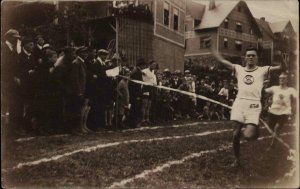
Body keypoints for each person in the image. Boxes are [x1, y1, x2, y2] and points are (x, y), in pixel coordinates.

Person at [212, 47, 283, 167]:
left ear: (257, 58)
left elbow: (281, 68)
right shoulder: (239, 69)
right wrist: (216, 55)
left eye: (253, 55)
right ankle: (237, 160)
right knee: (235, 134)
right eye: (248, 55)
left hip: (254, 104)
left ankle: (255, 129)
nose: (250, 57)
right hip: (239, 103)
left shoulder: (263, 70)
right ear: (245, 58)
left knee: (249, 136)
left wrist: (282, 58)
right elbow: (225, 63)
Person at [264, 72, 297, 150]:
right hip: (273, 111)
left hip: (284, 112)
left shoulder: (291, 89)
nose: (281, 80)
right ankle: (275, 138)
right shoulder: (274, 88)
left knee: (277, 128)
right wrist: (264, 83)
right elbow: (263, 91)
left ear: (287, 80)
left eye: (283, 78)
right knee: (271, 128)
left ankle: (272, 145)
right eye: (280, 78)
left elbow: (296, 95)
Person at [1, 29, 22, 136]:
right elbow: (5, 67)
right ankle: (8, 128)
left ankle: (13, 128)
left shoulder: (12, 48)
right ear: (8, 37)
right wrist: (12, 77)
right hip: (6, 80)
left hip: (12, 80)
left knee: (14, 103)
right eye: (14, 38)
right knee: (7, 104)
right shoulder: (4, 48)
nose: (16, 40)